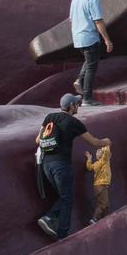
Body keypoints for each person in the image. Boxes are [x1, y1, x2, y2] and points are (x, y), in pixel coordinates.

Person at [36, 94, 111, 240]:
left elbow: (38, 139)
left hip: (46, 165)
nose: (78, 106)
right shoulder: (73, 122)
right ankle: (59, 232)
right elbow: (94, 142)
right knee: (67, 198)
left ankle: (51, 219)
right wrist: (106, 141)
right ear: (71, 106)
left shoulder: (49, 117)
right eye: (77, 103)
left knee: (63, 195)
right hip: (61, 165)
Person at [70, 0, 114, 107]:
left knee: (89, 61)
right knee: (91, 67)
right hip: (89, 37)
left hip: (78, 38)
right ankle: (87, 99)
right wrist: (107, 40)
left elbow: (71, 20)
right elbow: (98, 21)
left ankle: (79, 80)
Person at [84, 141, 113, 224]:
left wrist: (89, 158)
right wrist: (105, 144)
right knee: (103, 204)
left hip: (97, 186)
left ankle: (106, 218)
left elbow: (89, 167)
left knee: (106, 204)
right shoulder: (103, 161)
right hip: (102, 185)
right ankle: (95, 218)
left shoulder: (96, 164)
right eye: (100, 151)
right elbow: (106, 152)